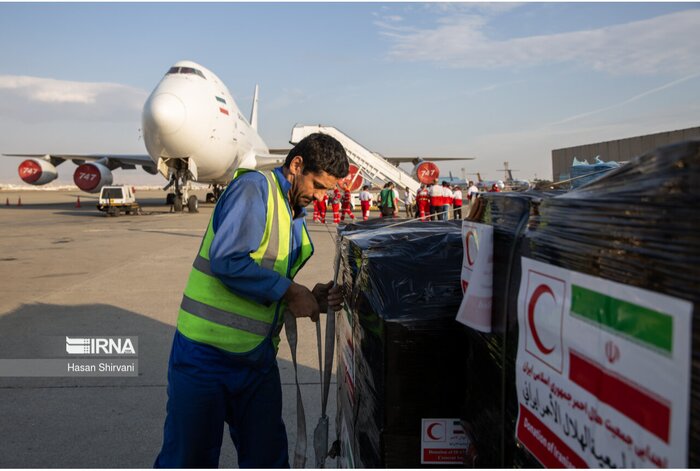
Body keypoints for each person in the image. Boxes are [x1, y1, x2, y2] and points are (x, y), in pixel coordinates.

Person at [154, 133, 349, 469]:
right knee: (189, 459)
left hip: (256, 358)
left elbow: (265, 274)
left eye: (326, 191)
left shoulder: (291, 209)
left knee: (268, 458)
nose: (319, 197)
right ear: (297, 165)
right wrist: (290, 292)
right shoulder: (254, 189)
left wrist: (309, 296)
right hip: (206, 357)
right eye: (318, 185)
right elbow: (228, 261)